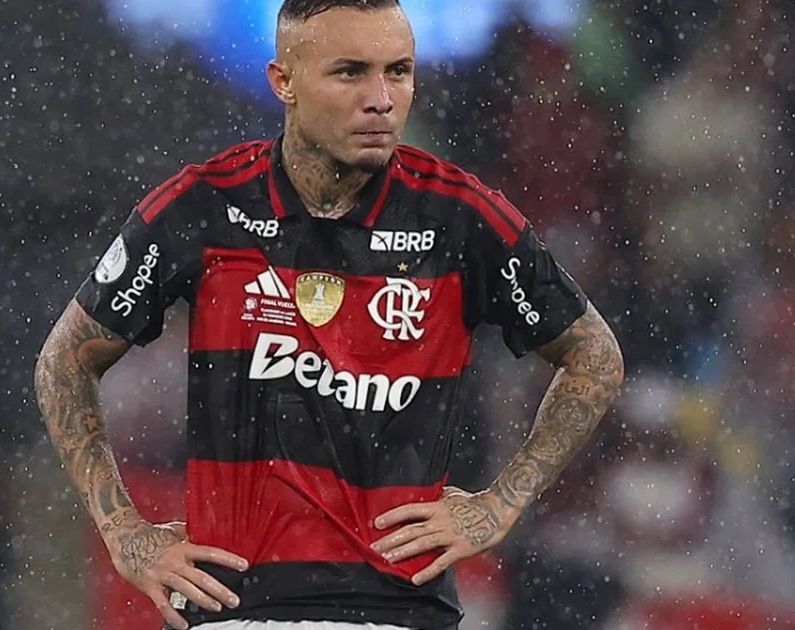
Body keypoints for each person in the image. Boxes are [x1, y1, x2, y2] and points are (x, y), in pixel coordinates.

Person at [32, 1, 624, 629]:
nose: (381, 99)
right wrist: (124, 532)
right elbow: (65, 360)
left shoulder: (459, 216)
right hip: (234, 609)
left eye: (398, 72)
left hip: (398, 611)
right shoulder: (205, 206)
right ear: (283, 81)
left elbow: (595, 355)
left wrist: (501, 503)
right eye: (350, 72)